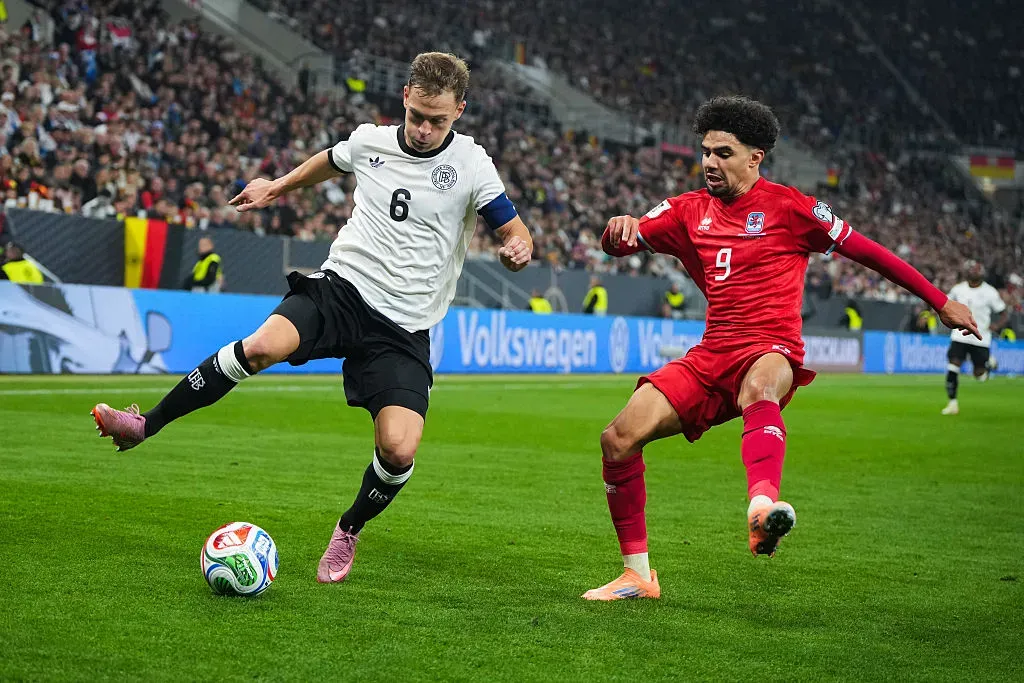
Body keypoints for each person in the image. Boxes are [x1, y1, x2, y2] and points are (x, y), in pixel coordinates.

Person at [91, 52, 533, 585]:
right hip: (341, 289)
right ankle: (145, 425)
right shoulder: (371, 140)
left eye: (437, 120)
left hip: (404, 328)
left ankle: (349, 528)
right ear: (405, 99)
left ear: (459, 110)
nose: (422, 128)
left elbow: (511, 226)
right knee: (259, 347)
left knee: (398, 449)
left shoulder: (471, 162)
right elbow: (331, 158)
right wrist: (275, 187)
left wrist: (517, 246)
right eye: (416, 114)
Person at [582, 96, 978, 601]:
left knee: (761, 385)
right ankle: (637, 576)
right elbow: (623, 241)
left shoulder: (792, 208)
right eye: (704, 151)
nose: (709, 162)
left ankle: (762, 507)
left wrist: (939, 301)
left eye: (723, 153)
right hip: (711, 353)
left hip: (770, 347)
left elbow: (870, 253)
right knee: (617, 438)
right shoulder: (686, 211)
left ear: (755, 157)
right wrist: (617, 231)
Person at [941, 261, 1008, 415]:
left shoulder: (990, 292)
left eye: (978, 269)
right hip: (959, 335)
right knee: (953, 365)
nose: (974, 271)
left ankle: (989, 363)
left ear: (982, 273)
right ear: (967, 272)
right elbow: (944, 303)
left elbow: (1003, 312)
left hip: (980, 337)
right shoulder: (958, 289)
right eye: (972, 269)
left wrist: (996, 326)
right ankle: (952, 403)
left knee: (980, 375)